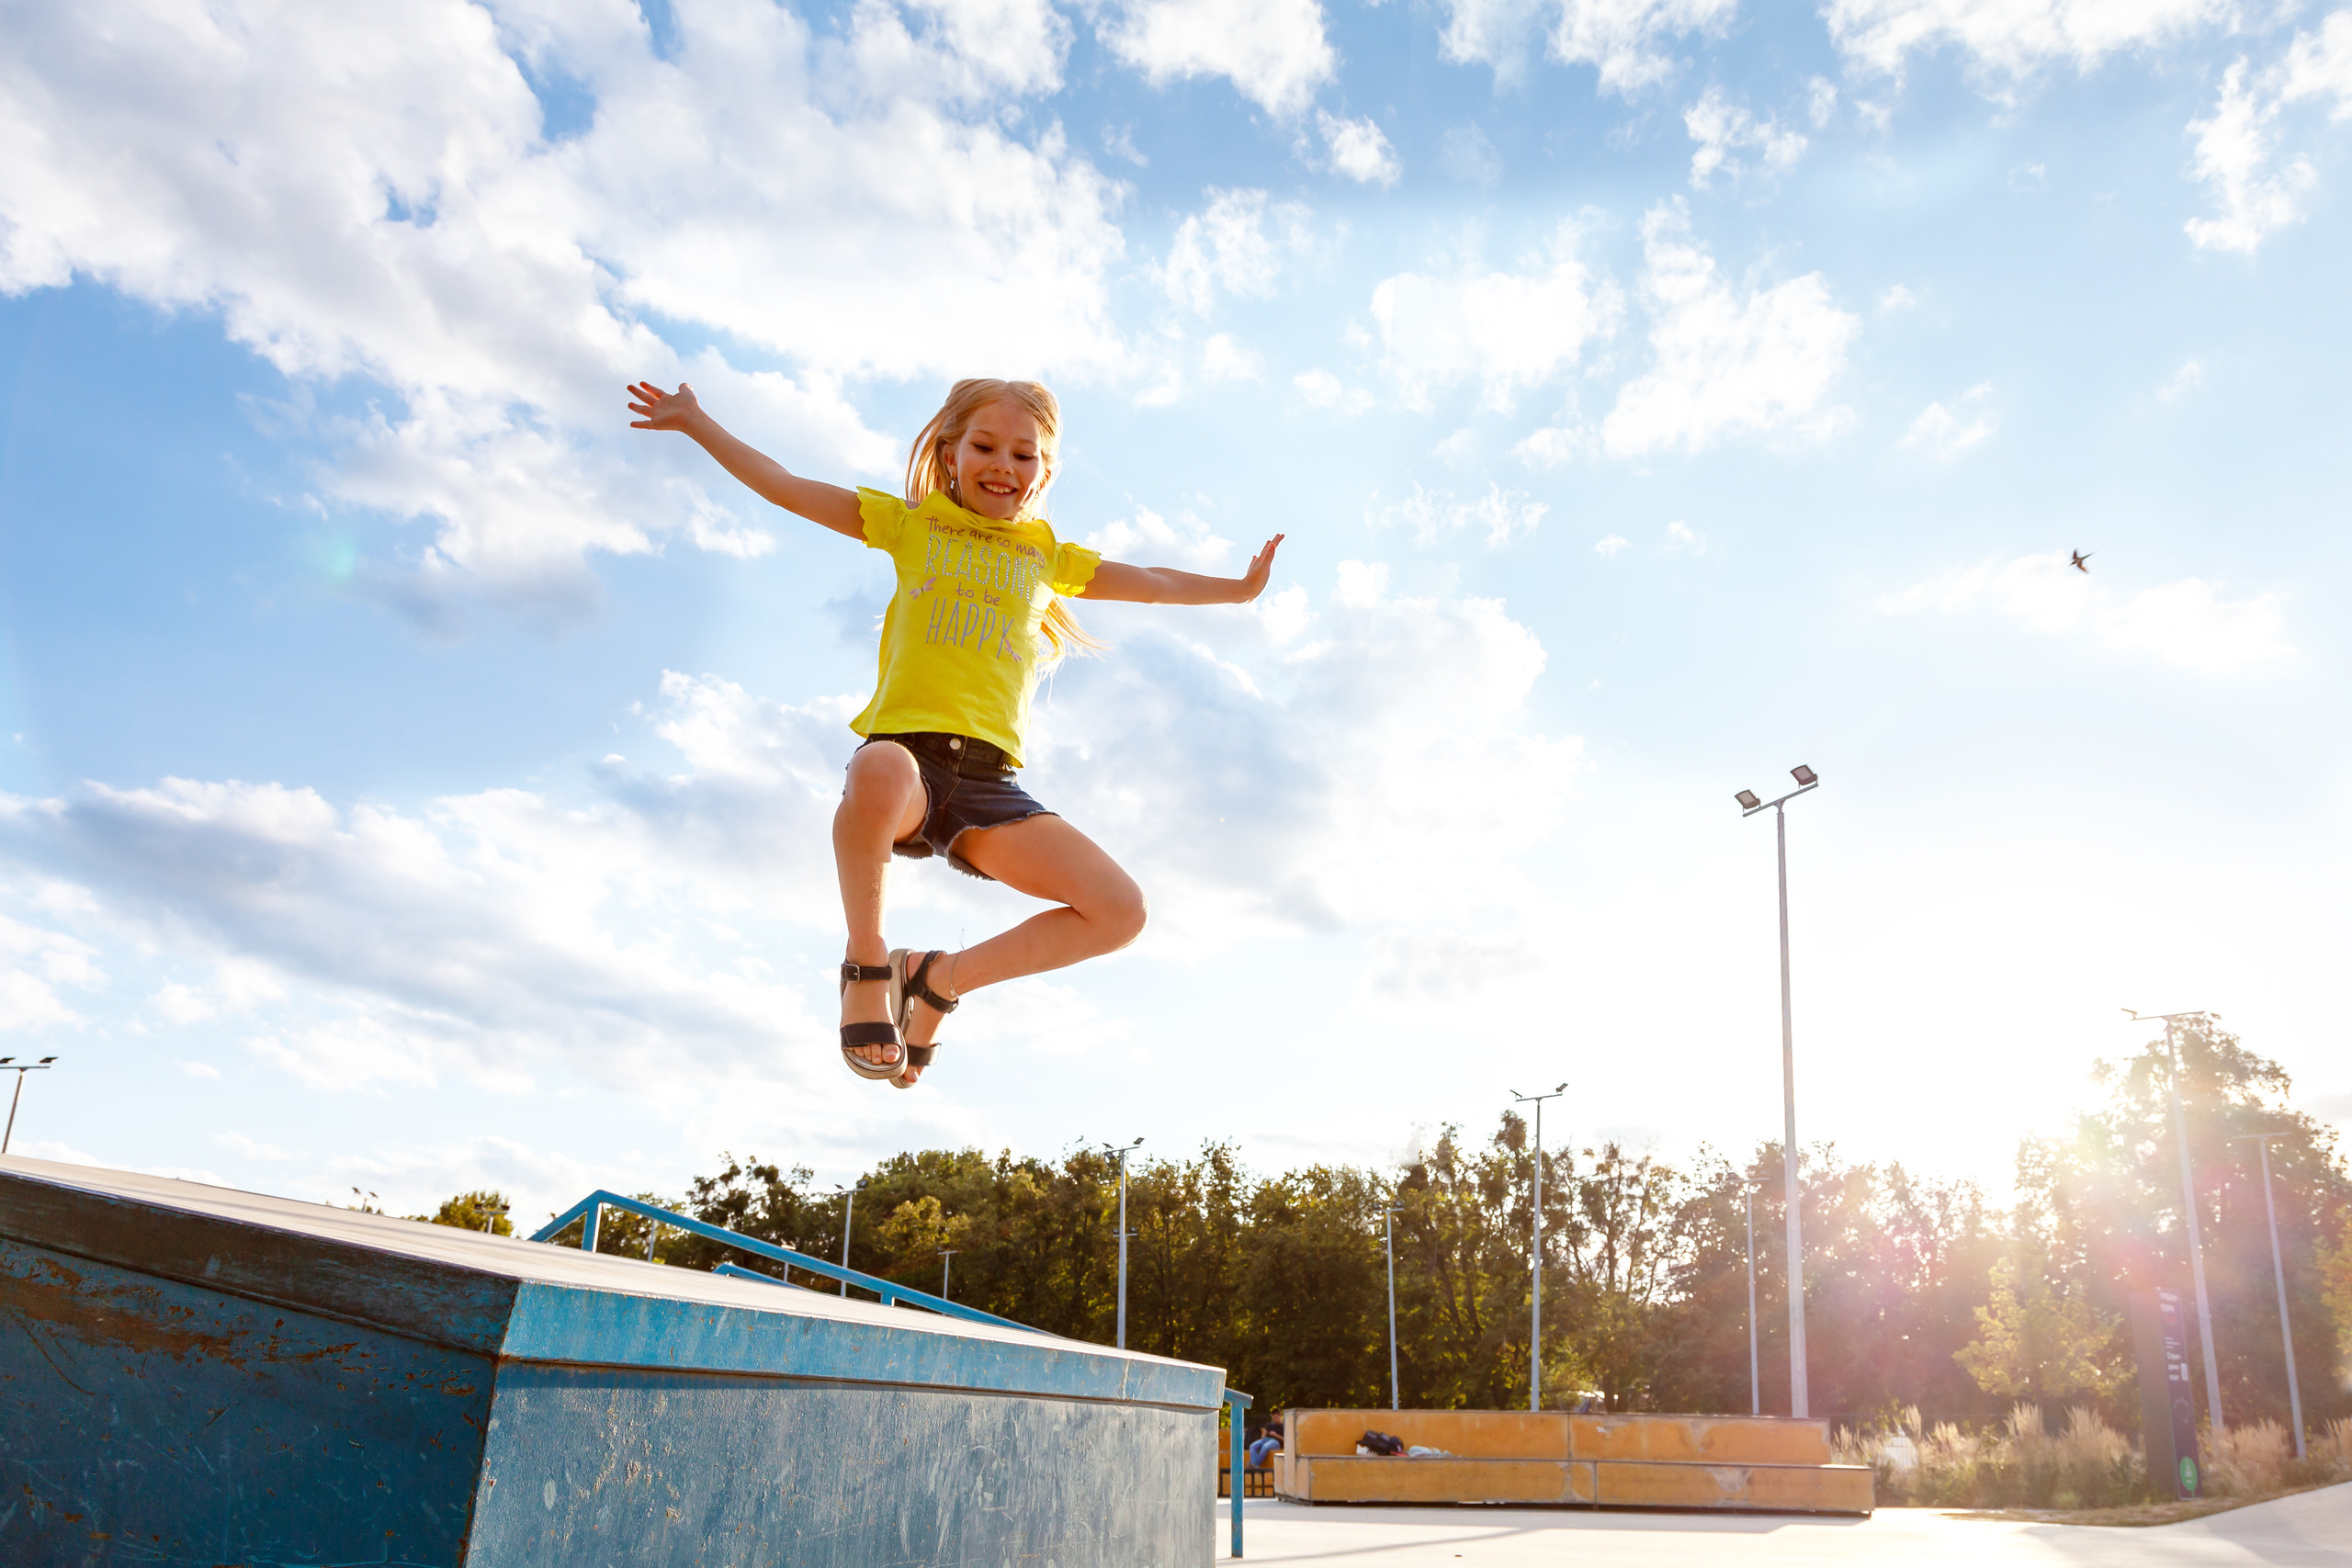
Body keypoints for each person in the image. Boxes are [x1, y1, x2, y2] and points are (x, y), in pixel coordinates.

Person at [627, 377, 1283, 1089]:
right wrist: (697, 422)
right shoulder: (911, 524)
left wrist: (1239, 590)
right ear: (950, 454)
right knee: (878, 768)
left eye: (1024, 455)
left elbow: (1154, 582)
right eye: (985, 447)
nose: (1004, 465)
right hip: (906, 768)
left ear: (1044, 472)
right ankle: (867, 964)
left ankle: (937, 979)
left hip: (988, 789)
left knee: (1121, 911)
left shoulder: (1049, 557)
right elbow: (786, 487)